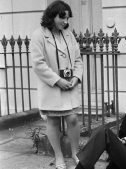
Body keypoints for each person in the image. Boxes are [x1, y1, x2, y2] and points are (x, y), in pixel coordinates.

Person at [30, 1, 83, 169]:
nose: (65, 22)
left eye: (67, 18)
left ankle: (75, 154)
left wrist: (76, 77)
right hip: (52, 86)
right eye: (62, 17)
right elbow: (38, 64)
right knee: (52, 121)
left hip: (69, 84)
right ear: (52, 15)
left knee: (73, 119)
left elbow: (78, 60)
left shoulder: (69, 35)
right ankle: (59, 157)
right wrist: (57, 80)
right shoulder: (38, 35)